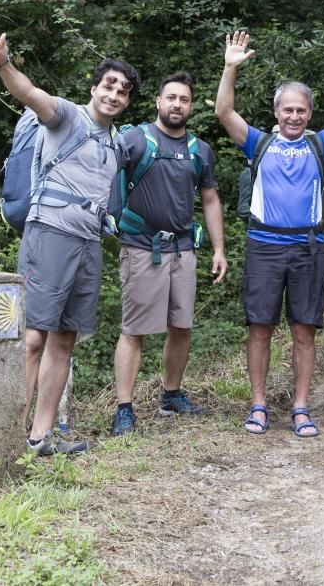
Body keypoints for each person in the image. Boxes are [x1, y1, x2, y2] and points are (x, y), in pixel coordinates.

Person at [0, 33, 140, 454]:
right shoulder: (67, 116)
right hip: (49, 233)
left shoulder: (116, 141)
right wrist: (3, 64)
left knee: (65, 339)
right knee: (34, 337)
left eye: (123, 90)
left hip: (88, 243)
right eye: (109, 85)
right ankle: (8, 438)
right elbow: (29, 93)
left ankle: (39, 437)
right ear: (94, 88)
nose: (115, 94)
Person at [214, 26, 324, 437]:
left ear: (309, 113)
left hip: (308, 248)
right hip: (263, 246)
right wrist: (230, 69)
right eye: (288, 110)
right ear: (277, 112)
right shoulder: (258, 143)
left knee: (304, 330)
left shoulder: (322, 145)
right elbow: (224, 113)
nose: (295, 116)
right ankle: (259, 405)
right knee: (260, 327)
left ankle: (301, 407)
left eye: (301, 110)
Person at [111, 72, 227, 435]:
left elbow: (209, 199)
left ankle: (171, 394)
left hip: (183, 250)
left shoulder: (199, 150)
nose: (177, 104)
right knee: (134, 331)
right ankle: (124, 408)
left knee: (182, 326)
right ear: (158, 101)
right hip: (142, 248)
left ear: (191, 106)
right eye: (171, 97)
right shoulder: (134, 140)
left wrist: (219, 248)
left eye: (185, 99)